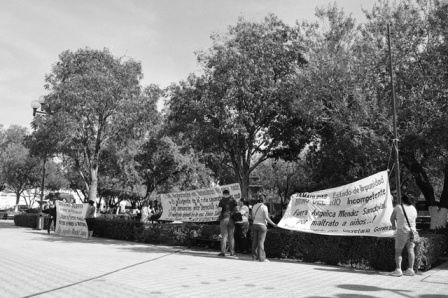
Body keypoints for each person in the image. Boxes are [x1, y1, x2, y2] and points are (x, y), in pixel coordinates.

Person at [389, 193, 417, 276]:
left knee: (398, 251)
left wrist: (394, 225)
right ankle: (410, 269)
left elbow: (392, 217)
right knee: (411, 250)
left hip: (402, 230)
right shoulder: (413, 208)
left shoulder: (398, 207)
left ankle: (398, 270)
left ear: (403, 199)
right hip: (412, 232)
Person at [252, 194, 277, 262]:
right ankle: (261, 258)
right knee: (261, 242)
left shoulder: (254, 206)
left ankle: (254, 257)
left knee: (255, 241)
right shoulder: (264, 207)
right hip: (262, 225)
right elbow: (266, 217)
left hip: (255, 224)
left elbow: (253, 217)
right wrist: (273, 224)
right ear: (264, 200)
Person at [217, 189, 238, 257]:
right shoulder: (233, 200)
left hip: (224, 219)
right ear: (229, 194)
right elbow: (236, 209)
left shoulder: (222, 201)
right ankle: (232, 252)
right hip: (231, 219)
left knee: (224, 236)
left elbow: (219, 211)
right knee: (231, 237)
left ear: (223, 194)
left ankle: (223, 252)